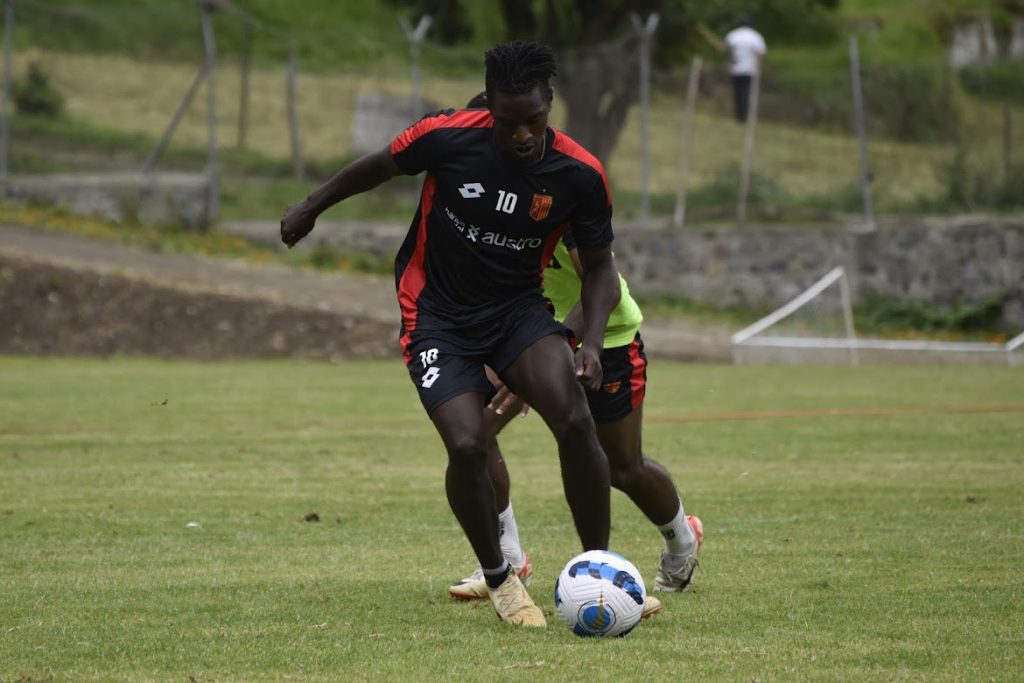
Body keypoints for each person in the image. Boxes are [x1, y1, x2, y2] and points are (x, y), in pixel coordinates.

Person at [280, 41, 622, 628]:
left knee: (573, 413)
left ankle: (601, 572)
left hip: (516, 310)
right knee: (467, 443)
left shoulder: (579, 173)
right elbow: (377, 165)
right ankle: (500, 580)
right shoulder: (446, 136)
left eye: (534, 122)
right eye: (509, 123)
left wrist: (589, 343)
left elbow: (600, 268)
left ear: (549, 107)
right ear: (489, 108)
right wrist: (312, 206)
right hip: (435, 312)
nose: (522, 136)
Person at [448, 229, 704, 618]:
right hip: (523, 336)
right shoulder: (487, 197)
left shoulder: (560, 196)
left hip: (604, 340)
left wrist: (552, 353)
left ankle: (682, 541)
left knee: (620, 467)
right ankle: (510, 560)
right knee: (472, 434)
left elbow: (607, 286)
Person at [702, 14, 767, 122]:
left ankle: (739, 116)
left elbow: (723, 49)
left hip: (736, 69)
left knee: (738, 93)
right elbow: (761, 53)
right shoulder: (756, 36)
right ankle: (745, 116)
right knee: (747, 93)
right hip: (750, 70)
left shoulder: (733, 35)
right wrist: (762, 66)